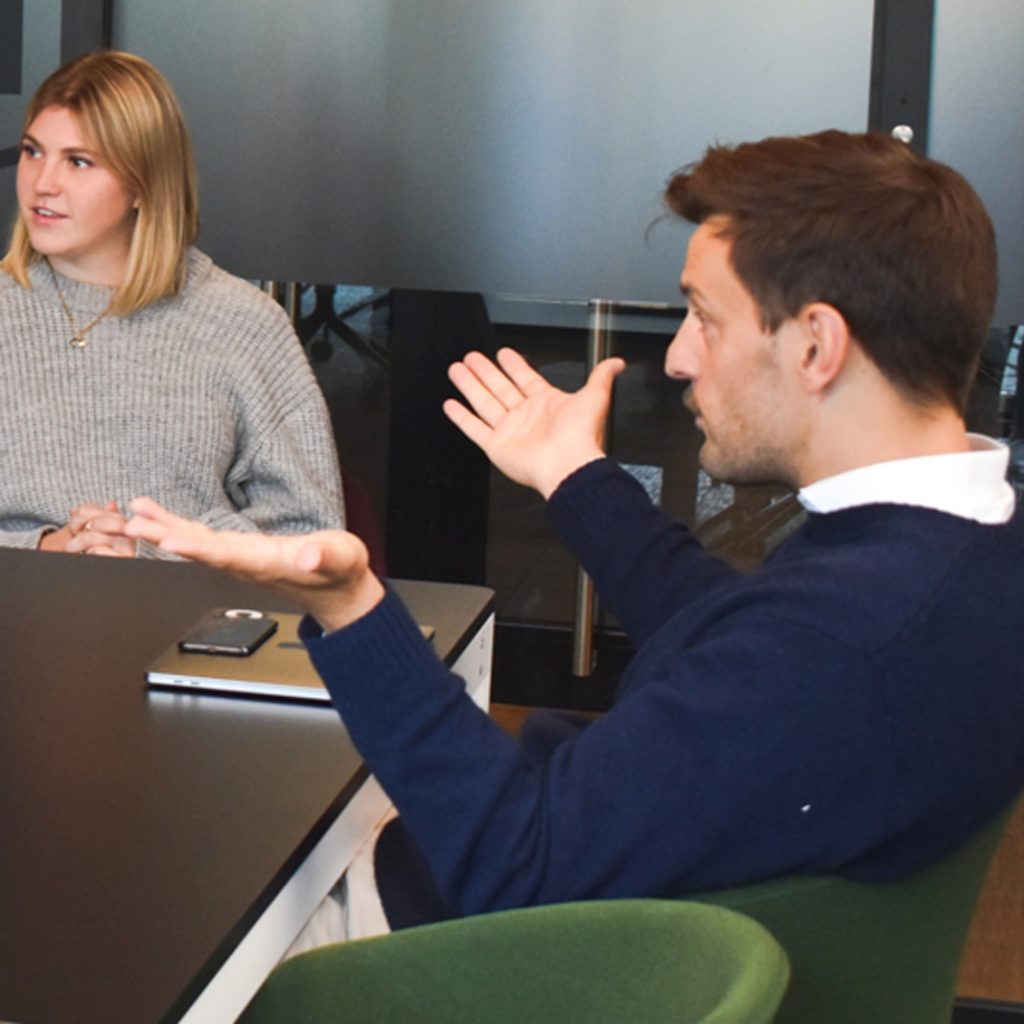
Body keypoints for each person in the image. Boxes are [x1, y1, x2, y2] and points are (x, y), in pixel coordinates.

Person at [126, 129, 1024, 933]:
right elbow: (729, 636)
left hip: (447, 955)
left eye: (705, 319)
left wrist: (352, 607)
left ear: (817, 347)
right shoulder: (963, 552)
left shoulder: (837, 647)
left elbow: (516, 868)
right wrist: (574, 474)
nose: (676, 357)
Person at [0, 51, 344, 556]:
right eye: (33, 152)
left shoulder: (243, 324)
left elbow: (311, 537)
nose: (42, 183)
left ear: (142, 183)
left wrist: (152, 553)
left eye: (78, 161)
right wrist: (45, 550)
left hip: (190, 622)